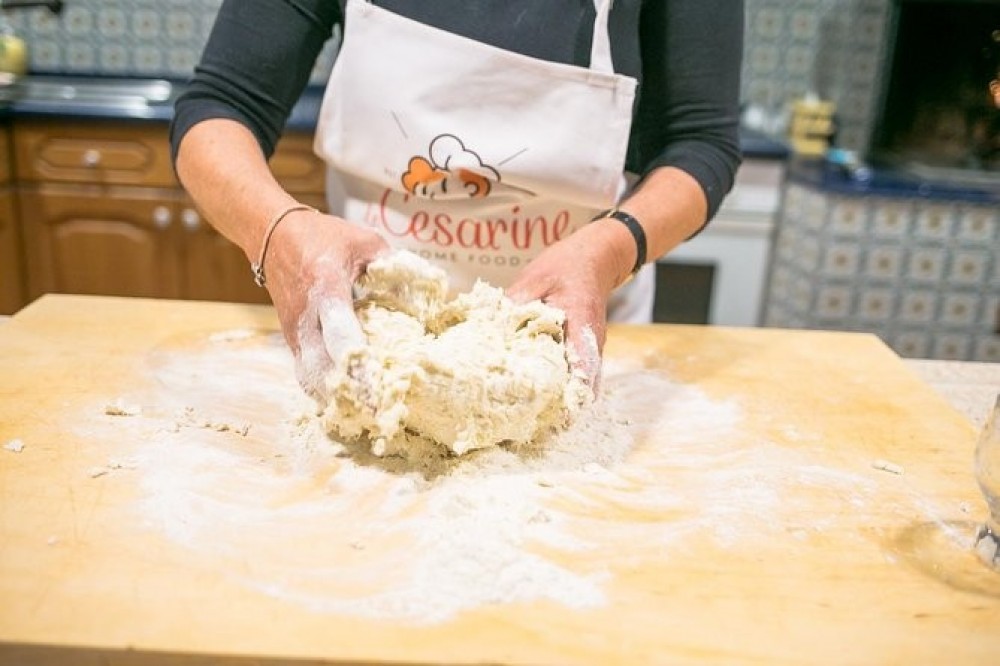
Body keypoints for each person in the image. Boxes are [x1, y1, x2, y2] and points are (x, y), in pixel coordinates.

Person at [170, 0, 744, 392]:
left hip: (568, 346)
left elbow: (701, 145)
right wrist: (277, 233)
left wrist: (609, 254)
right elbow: (219, 105)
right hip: (365, 339)